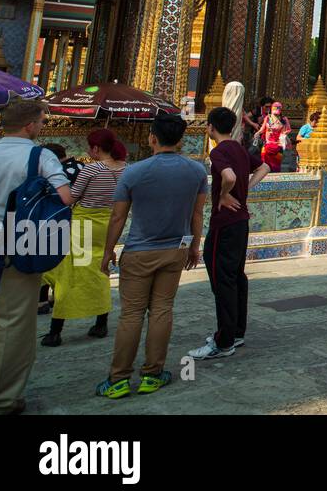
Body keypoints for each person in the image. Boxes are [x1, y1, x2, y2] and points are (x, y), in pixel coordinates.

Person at [95, 113, 208, 400]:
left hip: (139, 251)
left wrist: (109, 250)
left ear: (152, 138)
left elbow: (118, 217)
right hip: (175, 251)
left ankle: (119, 378)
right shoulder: (196, 171)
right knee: (161, 310)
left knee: (131, 314)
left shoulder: (133, 172)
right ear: (181, 139)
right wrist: (194, 246)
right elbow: (197, 213)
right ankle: (152, 374)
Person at [0, 98, 74, 415]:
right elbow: (65, 197)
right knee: (11, 325)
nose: (41, 127)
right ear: (29, 125)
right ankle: (1, 400)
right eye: (40, 121)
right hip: (15, 247)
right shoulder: (40, 156)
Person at [188, 106, 268, 362]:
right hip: (240, 222)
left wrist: (224, 194)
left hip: (225, 223)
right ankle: (236, 332)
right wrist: (245, 193)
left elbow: (230, 176)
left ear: (211, 127)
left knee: (222, 279)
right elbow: (264, 167)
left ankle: (223, 341)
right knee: (236, 277)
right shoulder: (239, 149)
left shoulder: (219, 151)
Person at [40, 129, 126, 348]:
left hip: (84, 224)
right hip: (109, 223)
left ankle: (56, 330)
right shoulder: (125, 168)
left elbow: (71, 198)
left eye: (90, 147)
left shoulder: (92, 169)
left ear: (96, 148)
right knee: (99, 270)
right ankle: (101, 322)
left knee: (71, 272)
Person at [259, 101, 290, 172]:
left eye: (278, 109)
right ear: (272, 109)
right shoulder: (268, 118)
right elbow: (262, 128)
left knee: (276, 166)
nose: (276, 111)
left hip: (278, 146)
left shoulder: (284, 119)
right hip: (267, 145)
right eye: (275, 109)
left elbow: (288, 130)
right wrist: (258, 133)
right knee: (264, 165)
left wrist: (283, 134)